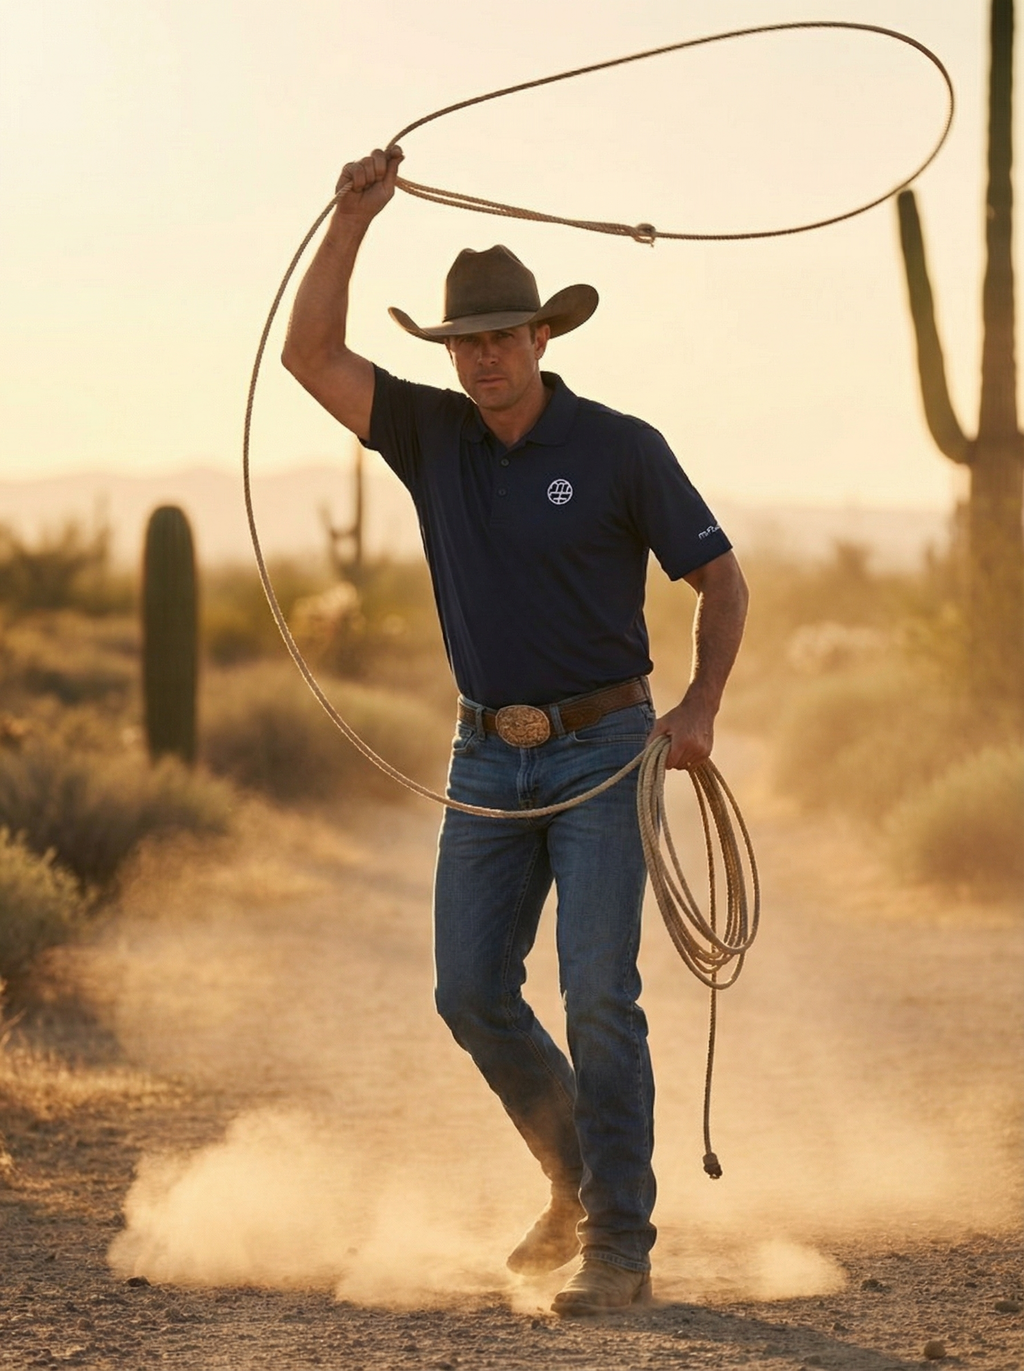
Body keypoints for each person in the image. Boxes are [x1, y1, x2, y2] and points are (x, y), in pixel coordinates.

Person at [282, 147, 748, 1315]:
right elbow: (309, 357)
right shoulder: (429, 436)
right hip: (486, 753)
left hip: (605, 750)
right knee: (470, 992)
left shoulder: (620, 448)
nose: (482, 358)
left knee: (598, 990)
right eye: (463, 342)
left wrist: (696, 709)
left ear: (543, 337)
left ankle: (621, 1249)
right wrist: (350, 219)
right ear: (449, 352)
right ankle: (575, 1179)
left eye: (501, 336)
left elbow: (720, 581)